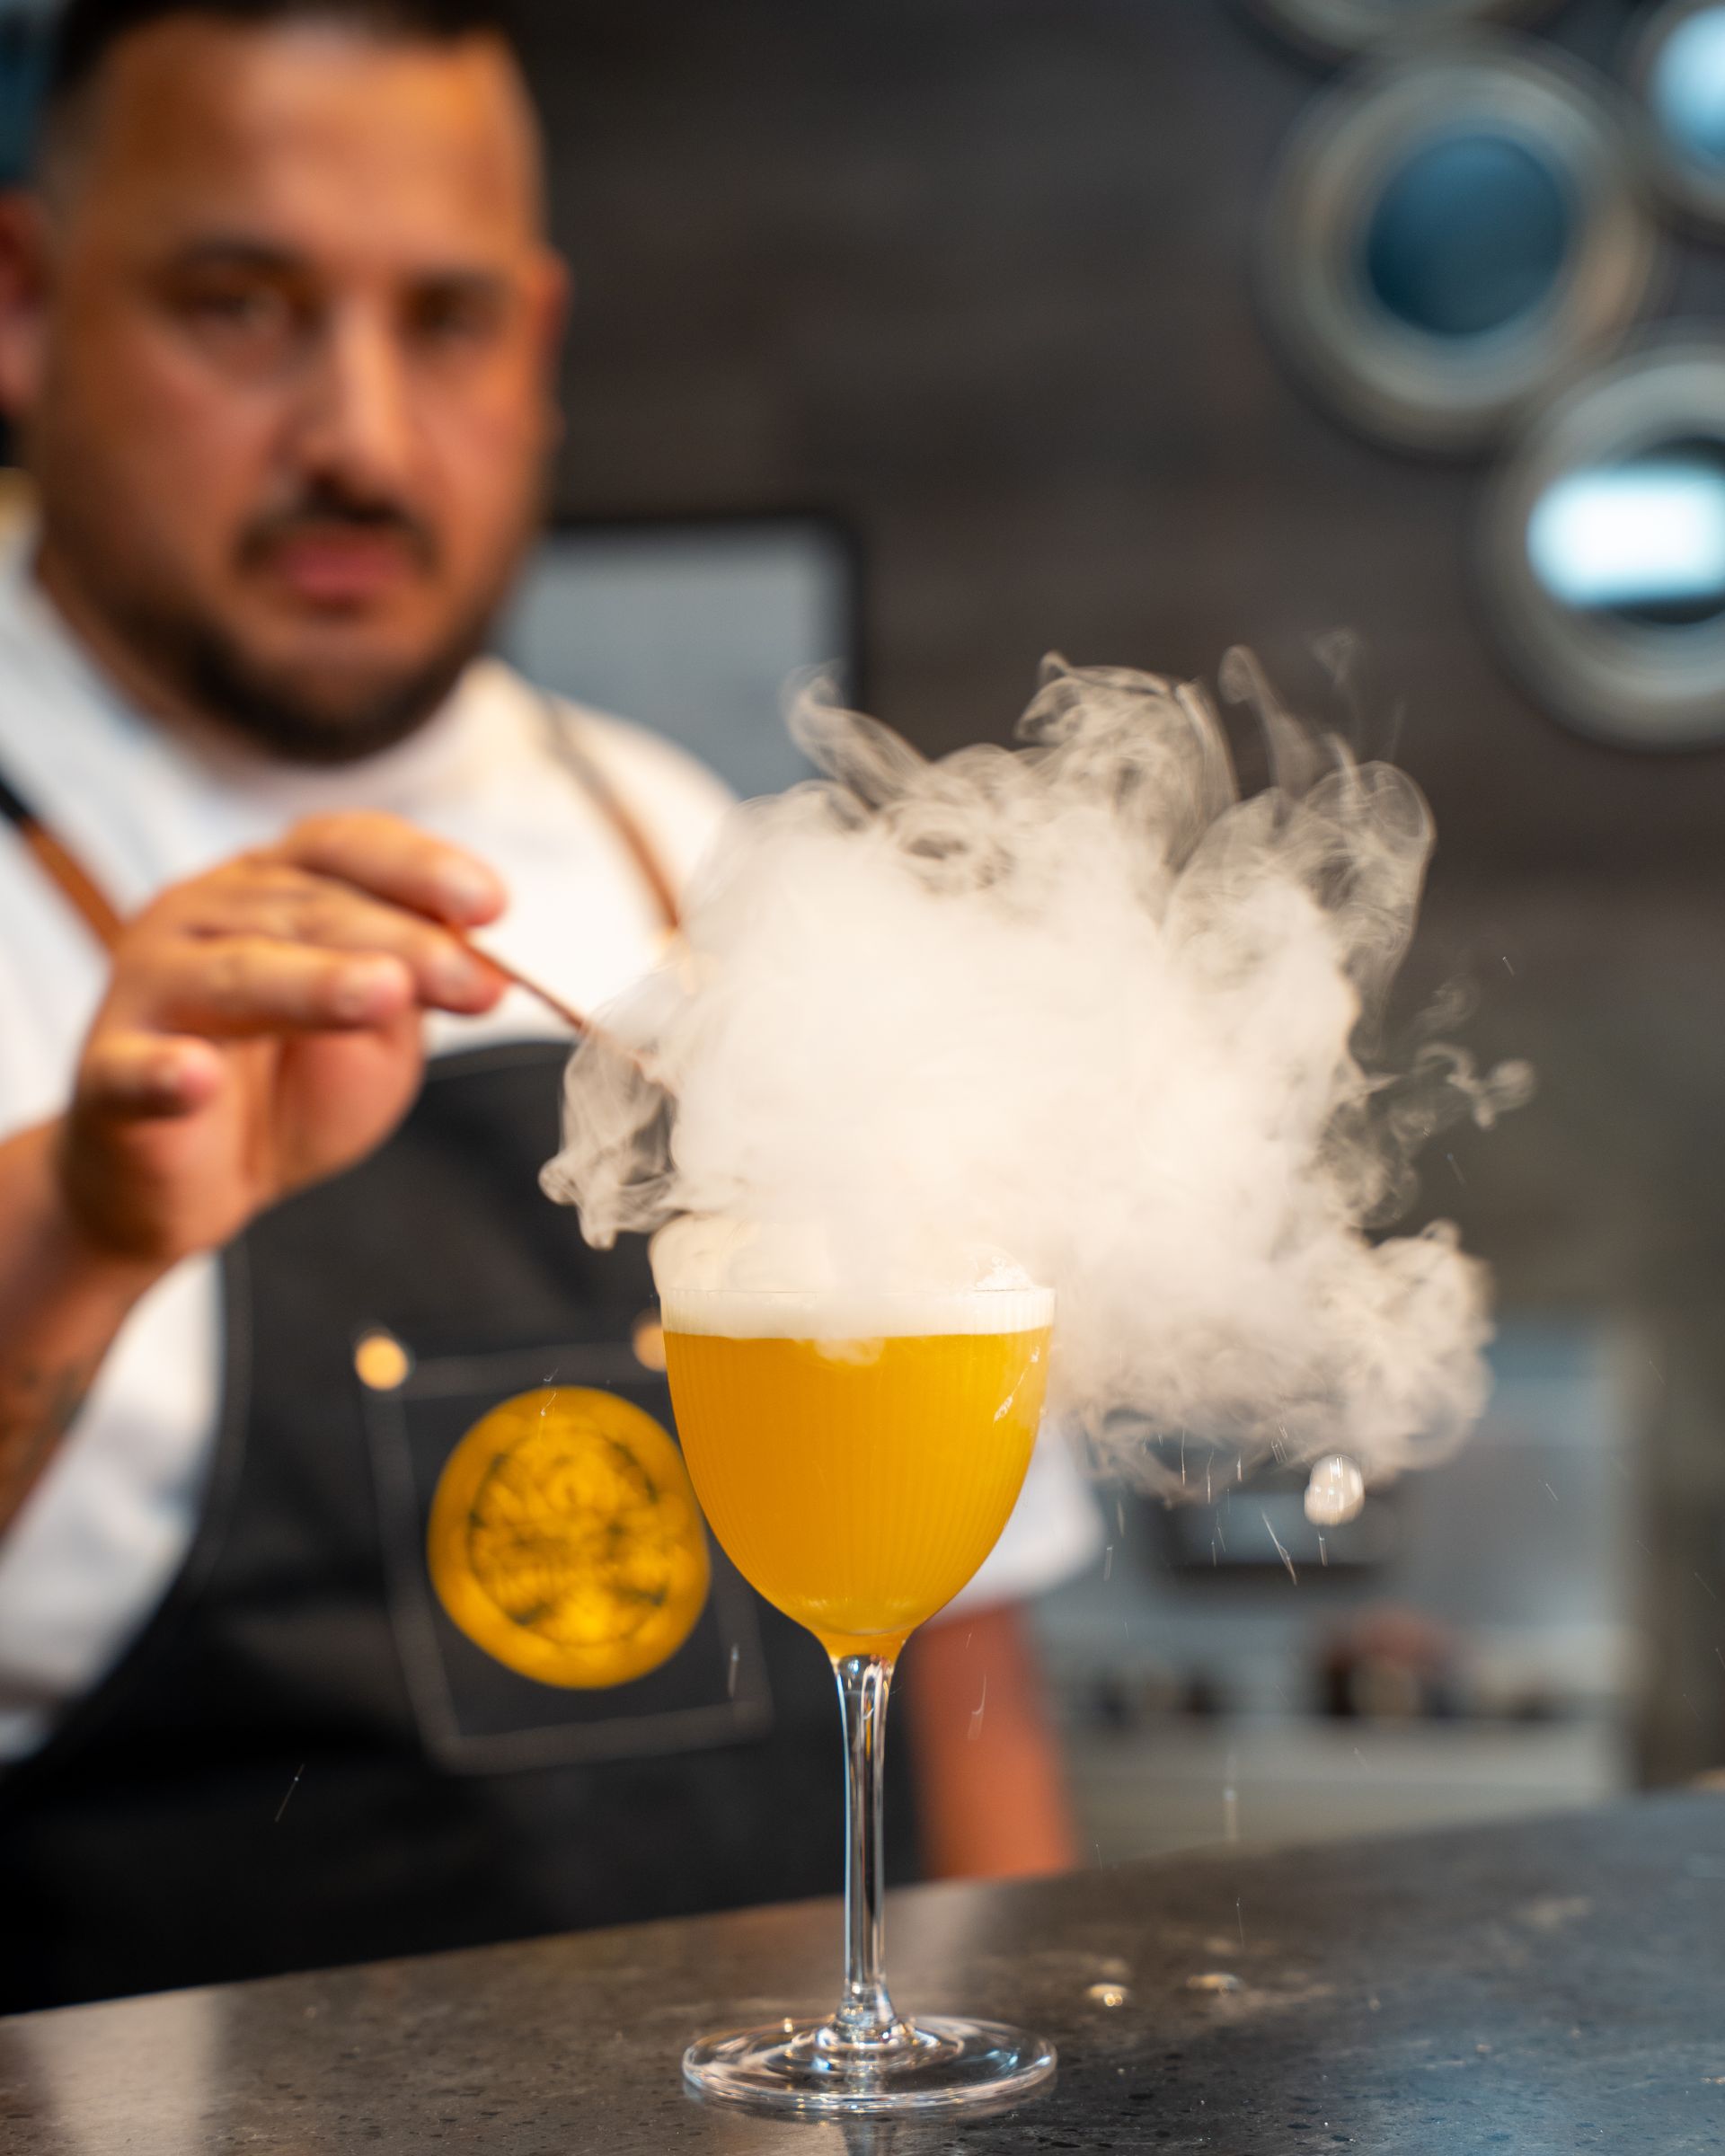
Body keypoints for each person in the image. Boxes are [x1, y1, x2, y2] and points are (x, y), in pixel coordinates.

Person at [0, 0, 1099, 2011]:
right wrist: (77, 1231)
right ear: (21, 299)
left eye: (445, 321)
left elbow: (967, 1685)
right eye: (238, 307)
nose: (357, 435)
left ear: (542, 342)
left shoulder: (698, 857)